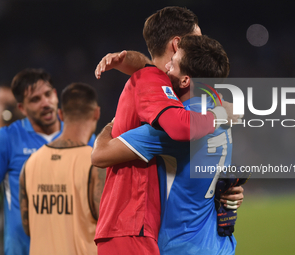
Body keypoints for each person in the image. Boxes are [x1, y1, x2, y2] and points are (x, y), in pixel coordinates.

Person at [92, 6, 238, 255]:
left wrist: (112, 123)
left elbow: (100, 153)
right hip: (208, 241)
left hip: (165, 238)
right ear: (177, 43)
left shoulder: (181, 113)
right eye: (197, 38)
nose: (200, 43)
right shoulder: (212, 106)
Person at [0, 69, 95, 255]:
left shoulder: (84, 137)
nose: (45, 103)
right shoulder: (7, 139)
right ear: (22, 108)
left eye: (48, 94)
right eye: (35, 99)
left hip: (69, 248)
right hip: (22, 249)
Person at [19, 83, 105, 255]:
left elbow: (29, 228)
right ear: (96, 112)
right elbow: (109, 229)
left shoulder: (30, 163)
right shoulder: (96, 164)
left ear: (60, 114)